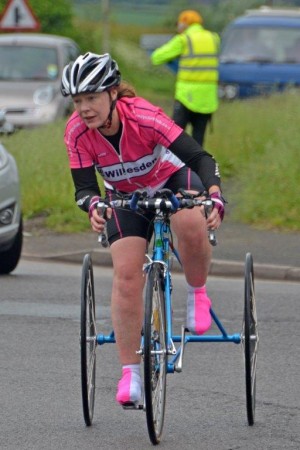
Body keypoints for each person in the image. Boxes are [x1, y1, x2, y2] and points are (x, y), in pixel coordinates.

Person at [61, 52, 225, 407]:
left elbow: (200, 158)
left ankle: (198, 293)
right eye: (78, 100)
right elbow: (84, 188)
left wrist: (214, 194)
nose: (85, 108)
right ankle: (131, 374)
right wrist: (92, 206)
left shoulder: (145, 117)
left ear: (113, 93)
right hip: (124, 197)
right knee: (126, 274)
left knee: (190, 221)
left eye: (92, 97)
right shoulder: (76, 132)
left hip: (170, 179)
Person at [151, 9, 220, 146]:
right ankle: (198, 167)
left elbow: (156, 57)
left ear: (183, 24)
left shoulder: (184, 40)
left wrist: (175, 59)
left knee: (174, 137)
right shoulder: (214, 38)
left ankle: (174, 166)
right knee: (199, 138)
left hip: (186, 96)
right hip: (208, 97)